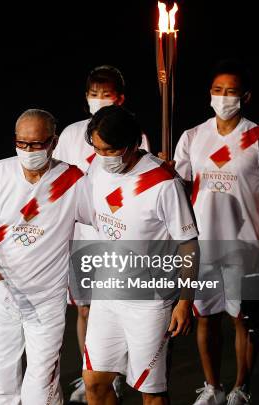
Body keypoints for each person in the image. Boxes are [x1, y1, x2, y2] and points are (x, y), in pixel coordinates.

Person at [171, 59, 259, 405]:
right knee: (205, 319)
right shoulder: (193, 136)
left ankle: (240, 387)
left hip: (244, 244)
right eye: (218, 90)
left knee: (242, 321)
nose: (223, 97)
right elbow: (175, 184)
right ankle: (212, 387)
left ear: (245, 96)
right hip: (202, 245)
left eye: (231, 91)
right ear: (210, 94)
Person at [0, 109, 86, 404]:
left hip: (46, 300)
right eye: (22, 144)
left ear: (53, 142)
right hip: (0, 295)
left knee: (41, 385)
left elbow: (108, 213)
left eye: (37, 145)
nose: (28, 151)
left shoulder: (72, 180)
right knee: (2, 379)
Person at [78, 105, 199, 405]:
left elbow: (189, 245)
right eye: (97, 148)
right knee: (94, 383)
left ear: (133, 144)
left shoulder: (164, 184)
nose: (103, 156)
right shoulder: (97, 167)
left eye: (111, 150)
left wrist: (185, 300)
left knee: (151, 392)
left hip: (149, 303)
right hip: (106, 296)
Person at [52, 65, 151, 403]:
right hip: (82, 236)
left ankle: (117, 374)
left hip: (119, 238)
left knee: (120, 308)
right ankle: (91, 371)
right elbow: (58, 182)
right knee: (84, 309)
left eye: (105, 95)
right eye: (93, 95)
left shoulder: (133, 136)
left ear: (120, 99)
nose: (98, 100)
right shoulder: (70, 135)